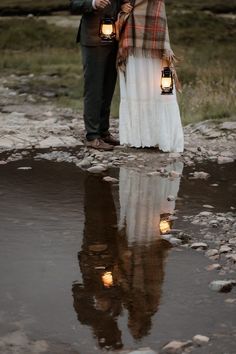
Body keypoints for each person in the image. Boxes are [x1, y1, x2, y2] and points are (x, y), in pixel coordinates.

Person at [117, 0, 184, 152]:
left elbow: (159, 12)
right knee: (137, 86)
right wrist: (122, 7)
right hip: (132, 35)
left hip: (155, 37)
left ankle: (162, 137)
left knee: (159, 90)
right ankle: (139, 137)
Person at [70, 0, 123, 150]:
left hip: (115, 38)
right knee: (94, 88)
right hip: (93, 39)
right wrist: (93, 3)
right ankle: (92, 136)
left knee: (108, 87)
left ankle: (103, 132)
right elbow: (74, 5)